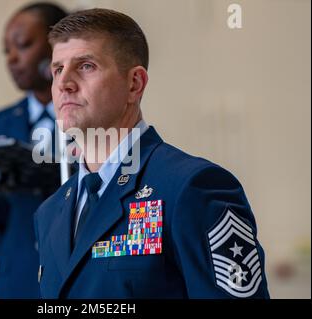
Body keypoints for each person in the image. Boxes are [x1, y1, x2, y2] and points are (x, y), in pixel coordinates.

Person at [34, 8, 270, 298]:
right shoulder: (50, 213)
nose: (64, 83)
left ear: (135, 84)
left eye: (85, 66)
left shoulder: (190, 188)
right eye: (57, 69)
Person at [0, 3, 67, 298]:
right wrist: (9, 254)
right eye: (7, 50)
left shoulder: (88, 118)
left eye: (24, 45)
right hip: (17, 273)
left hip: (75, 269)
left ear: (57, 44)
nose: (13, 59)